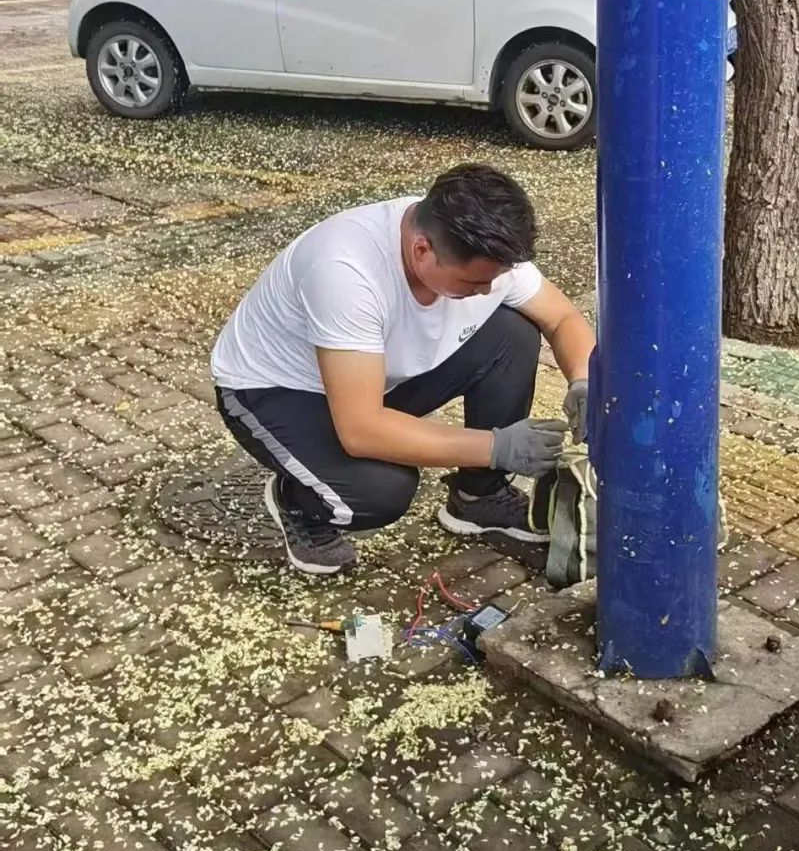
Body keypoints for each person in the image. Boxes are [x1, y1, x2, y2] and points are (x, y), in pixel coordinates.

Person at [211, 164, 596, 576]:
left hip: (369, 377)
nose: (487, 290)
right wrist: (496, 446)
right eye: (472, 284)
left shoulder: (479, 242)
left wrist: (586, 382)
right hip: (276, 390)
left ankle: (478, 496)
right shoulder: (345, 271)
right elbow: (360, 430)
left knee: (513, 332)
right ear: (421, 251)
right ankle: (300, 502)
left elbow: (560, 318)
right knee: (380, 490)